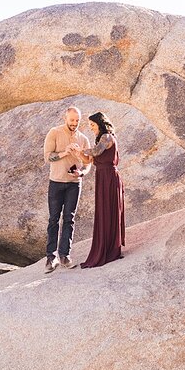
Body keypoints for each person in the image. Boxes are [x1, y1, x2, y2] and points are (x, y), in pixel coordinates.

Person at [71, 111, 125, 268]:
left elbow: (95, 152)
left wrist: (81, 148)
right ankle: (107, 248)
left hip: (109, 177)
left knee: (109, 211)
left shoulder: (107, 137)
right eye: (90, 125)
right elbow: (89, 159)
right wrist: (78, 153)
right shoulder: (99, 139)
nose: (91, 128)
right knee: (104, 212)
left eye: (93, 125)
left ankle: (111, 250)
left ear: (100, 124)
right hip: (101, 177)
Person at [42, 106, 92, 272]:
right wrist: (65, 152)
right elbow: (48, 157)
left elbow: (88, 163)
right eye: (72, 120)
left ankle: (65, 255)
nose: (74, 123)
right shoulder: (54, 133)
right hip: (56, 182)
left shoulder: (83, 139)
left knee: (69, 219)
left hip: (74, 184)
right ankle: (51, 257)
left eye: (77, 120)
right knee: (53, 219)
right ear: (65, 118)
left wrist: (82, 173)